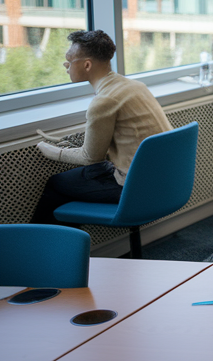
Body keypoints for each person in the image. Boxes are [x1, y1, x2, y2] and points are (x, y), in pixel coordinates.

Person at [32, 30, 173, 223]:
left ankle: (45, 249)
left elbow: (90, 158)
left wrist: (52, 151)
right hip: (165, 180)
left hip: (135, 187)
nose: (66, 66)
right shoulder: (135, 86)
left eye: (69, 60)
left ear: (86, 65)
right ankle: (64, 246)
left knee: (57, 184)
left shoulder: (104, 101)